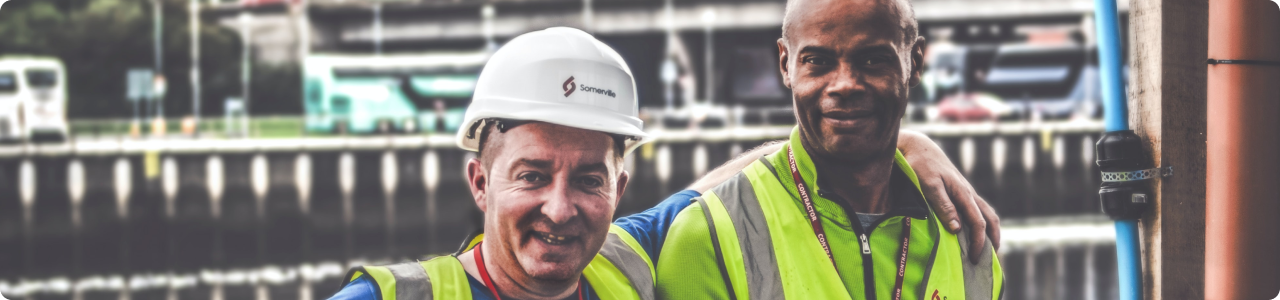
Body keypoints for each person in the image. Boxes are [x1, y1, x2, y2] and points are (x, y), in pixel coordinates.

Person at [328, 27, 996, 300]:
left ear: (619, 186)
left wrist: (899, 142)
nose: (561, 208)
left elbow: (739, 175)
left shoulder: (627, 261)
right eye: (532, 174)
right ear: (480, 180)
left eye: (589, 178)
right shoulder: (394, 298)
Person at [654, 0, 1004, 299]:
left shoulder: (966, 241)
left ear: (914, 62)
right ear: (785, 64)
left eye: (872, 60)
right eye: (818, 61)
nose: (845, 84)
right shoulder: (706, 237)